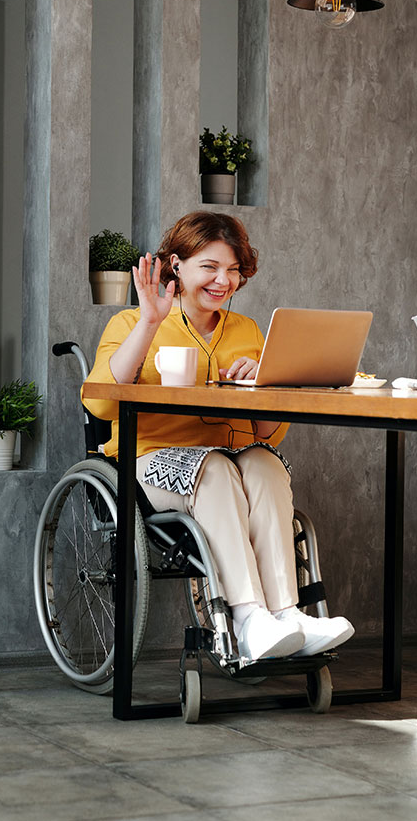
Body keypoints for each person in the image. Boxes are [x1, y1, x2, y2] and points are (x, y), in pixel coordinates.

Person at [83, 211, 354, 661]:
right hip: (151, 463)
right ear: (177, 265)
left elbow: (267, 433)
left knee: (265, 464)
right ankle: (248, 618)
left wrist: (263, 384)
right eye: (209, 266)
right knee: (217, 469)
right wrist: (149, 323)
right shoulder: (131, 324)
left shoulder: (246, 331)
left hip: (229, 461)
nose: (222, 280)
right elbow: (101, 404)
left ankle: (286, 615)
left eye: (232, 270)